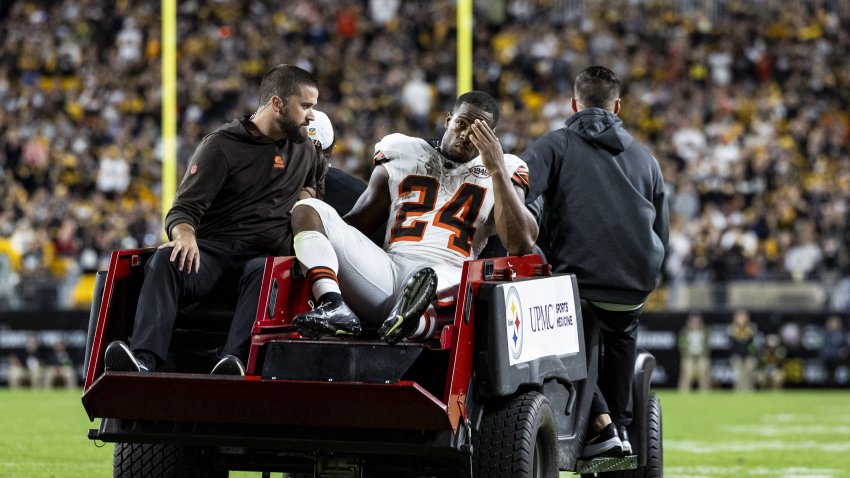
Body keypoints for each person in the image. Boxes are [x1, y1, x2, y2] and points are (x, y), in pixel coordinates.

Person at [104, 64, 325, 376]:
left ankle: (232, 362)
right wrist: (184, 236)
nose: (312, 115)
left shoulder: (305, 149)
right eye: (306, 106)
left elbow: (313, 188)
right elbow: (183, 209)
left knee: (263, 270)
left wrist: (307, 195)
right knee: (166, 259)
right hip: (214, 254)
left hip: (263, 260)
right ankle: (143, 361)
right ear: (277, 103)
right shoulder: (222, 145)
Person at [288, 91, 538, 343]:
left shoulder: (505, 168)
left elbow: (520, 243)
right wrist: (315, 236)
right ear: (448, 120)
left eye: (478, 131)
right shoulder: (402, 150)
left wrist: (496, 168)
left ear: (491, 138)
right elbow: (358, 222)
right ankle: (333, 305)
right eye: (461, 123)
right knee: (309, 209)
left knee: (440, 279)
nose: (465, 135)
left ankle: (413, 324)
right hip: (386, 270)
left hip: (448, 272)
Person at [521, 66, 669, 457]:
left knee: (550, 335)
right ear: (617, 105)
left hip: (577, 280)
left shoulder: (556, 145)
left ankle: (601, 425)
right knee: (621, 337)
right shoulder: (646, 158)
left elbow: (518, 191)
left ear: (574, 103)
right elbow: (662, 228)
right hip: (634, 281)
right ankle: (620, 428)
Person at [678, 311, 711, 393]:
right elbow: (681, 344)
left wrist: (704, 354)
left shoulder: (705, 330)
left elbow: (707, 344)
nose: (695, 323)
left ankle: (705, 394)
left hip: (702, 356)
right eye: (693, 321)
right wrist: (686, 353)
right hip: (688, 357)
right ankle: (683, 394)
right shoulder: (685, 331)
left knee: (703, 376)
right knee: (687, 376)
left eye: (697, 321)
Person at [727, 308, 758, 391]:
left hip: (749, 355)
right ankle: (739, 390)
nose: (741, 319)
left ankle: (749, 390)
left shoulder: (751, 327)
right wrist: (737, 325)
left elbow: (751, 335)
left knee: (749, 372)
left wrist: (745, 325)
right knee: (738, 374)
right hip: (736, 355)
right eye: (739, 317)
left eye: (743, 317)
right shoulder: (731, 327)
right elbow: (733, 334)